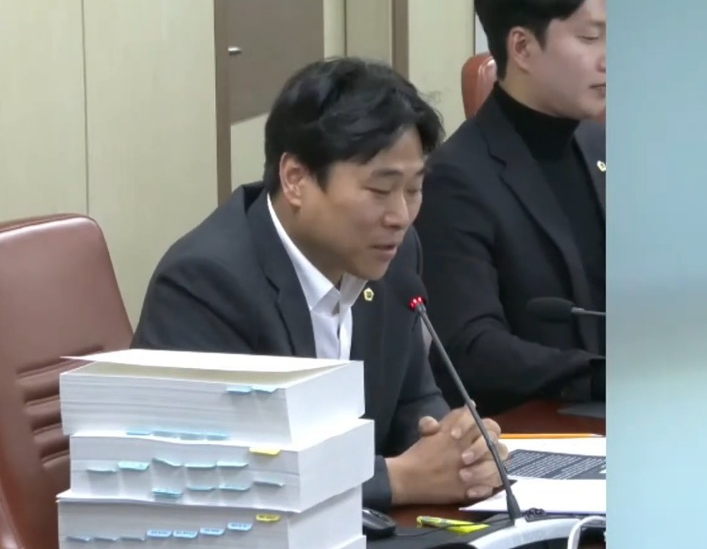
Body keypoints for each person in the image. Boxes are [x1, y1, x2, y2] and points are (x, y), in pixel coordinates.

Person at [131, 57, 509, 512]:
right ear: (296, 179)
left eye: (413, 189)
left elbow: (414, 398)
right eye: (379, 190)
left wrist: (458, 449)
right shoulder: (206, 284)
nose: (400, 216)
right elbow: (223, 475)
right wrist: (397, 480)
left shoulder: (393, 255)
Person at [412, 0, 607, 415]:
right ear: (522, 47)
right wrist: (598, 374)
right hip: (533, 426)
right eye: (590, 38)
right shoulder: (454, 179)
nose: (608, 59)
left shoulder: (602, 145)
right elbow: (473, 347)